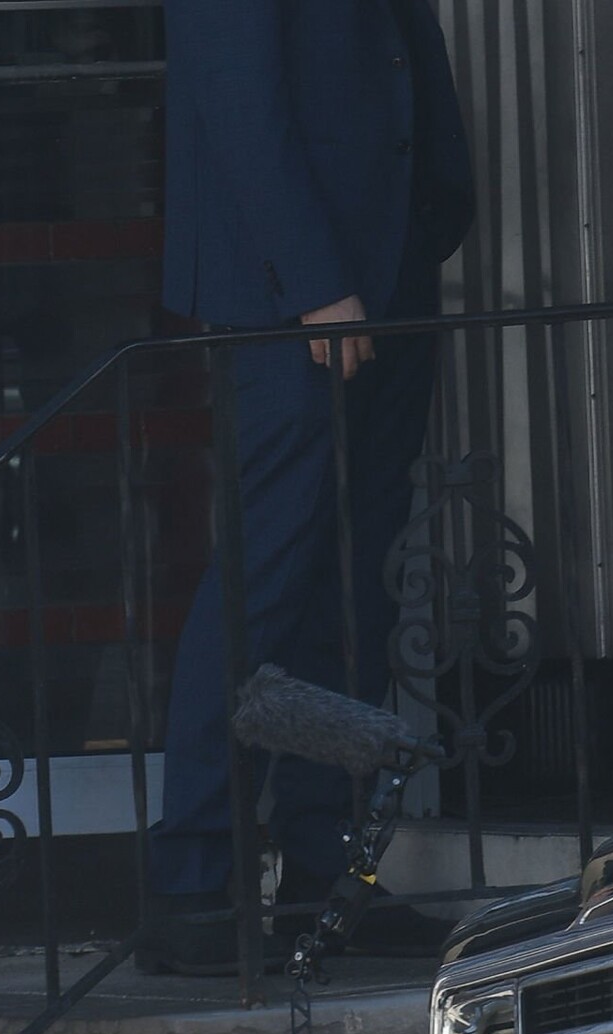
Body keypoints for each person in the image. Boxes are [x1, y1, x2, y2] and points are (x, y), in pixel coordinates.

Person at [139, 0, 475, 976]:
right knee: (267, 572)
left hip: (389, 262)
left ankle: (330, 871)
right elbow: (236, 95)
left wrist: (430, 216)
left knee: (353, 575)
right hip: (293, 293)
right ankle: (193, 880)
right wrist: (312, 281)